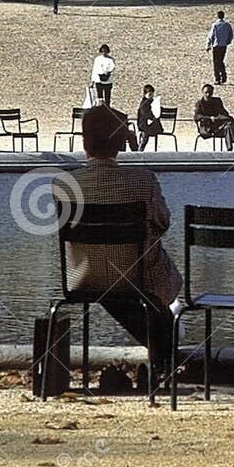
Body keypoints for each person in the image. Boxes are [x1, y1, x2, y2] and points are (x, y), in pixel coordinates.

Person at [64, 104, 183, 388]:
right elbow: (163, 223)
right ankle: (163, 363)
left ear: (84, 141)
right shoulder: (143, 181)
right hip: (135, 276)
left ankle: (161, 362)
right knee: (147, 279)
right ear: (120, 143)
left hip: (83, 277)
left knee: (114, 281)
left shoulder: (65, 184)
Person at [194, 84, 234, 151]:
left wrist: (219, 117)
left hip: (219, 126)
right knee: (230, 124)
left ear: (212, 93)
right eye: (206, 92)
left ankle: (230, 149)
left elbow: (224, 113)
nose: (208, 94)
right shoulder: (199, 103)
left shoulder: (216, 101)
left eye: (210, 92)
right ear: (202, 93)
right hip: (208, 128)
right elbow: (196, 116)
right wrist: (210, 118)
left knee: (229, 125)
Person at [205, 10, 234, 85]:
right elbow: (231, 35)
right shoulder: (227, 25)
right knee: (221, 61)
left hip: (216, 46)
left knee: (216, 62)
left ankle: (217, 79)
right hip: (223, 46)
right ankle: (223, 76)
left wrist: (208, 45)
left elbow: (211, 36)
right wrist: (227, 42)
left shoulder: (215, 25)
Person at [135, 84, 167, 151]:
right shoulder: (144, 103)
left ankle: (141, 147)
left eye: (152, 95)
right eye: (150, 95)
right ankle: (141, 147)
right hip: (146, 125)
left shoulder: (150, 102)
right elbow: (145, 114)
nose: (151, 96)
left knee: (146, 132)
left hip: (148, 125)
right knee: (145, 132)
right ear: (145, 94)